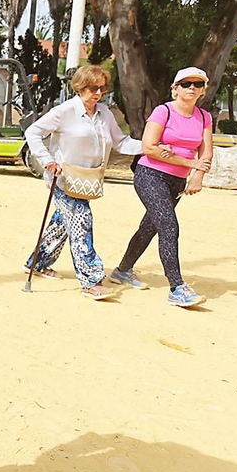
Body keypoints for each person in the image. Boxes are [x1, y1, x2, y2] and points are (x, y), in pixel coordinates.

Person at [21, 63, 143, 300]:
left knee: (63, 222)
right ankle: (90, 279)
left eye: (101, 88)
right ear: (79, 87)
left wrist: (148, 148)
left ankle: (37, 262)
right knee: (81, 220)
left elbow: (121, 143)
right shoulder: (64, 111)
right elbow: (33, 132)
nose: (97, 93)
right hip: (64, 179)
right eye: (91, 88)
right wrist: (47, 160)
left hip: (88, 180)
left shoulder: (105, 114)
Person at [110, 66, 215, 308]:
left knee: (150, 227)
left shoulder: (203, 117)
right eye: (186, 83)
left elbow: (206, 151)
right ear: (175, 88)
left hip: (177, 181)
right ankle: (177, 287)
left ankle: (122, 270)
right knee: (168, 224)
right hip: (150, 175)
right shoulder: (163, 111)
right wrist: (189, 162)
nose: (191, 88)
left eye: (197, 84)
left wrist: (197, 175)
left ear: (203, 90)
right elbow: (149, 148)